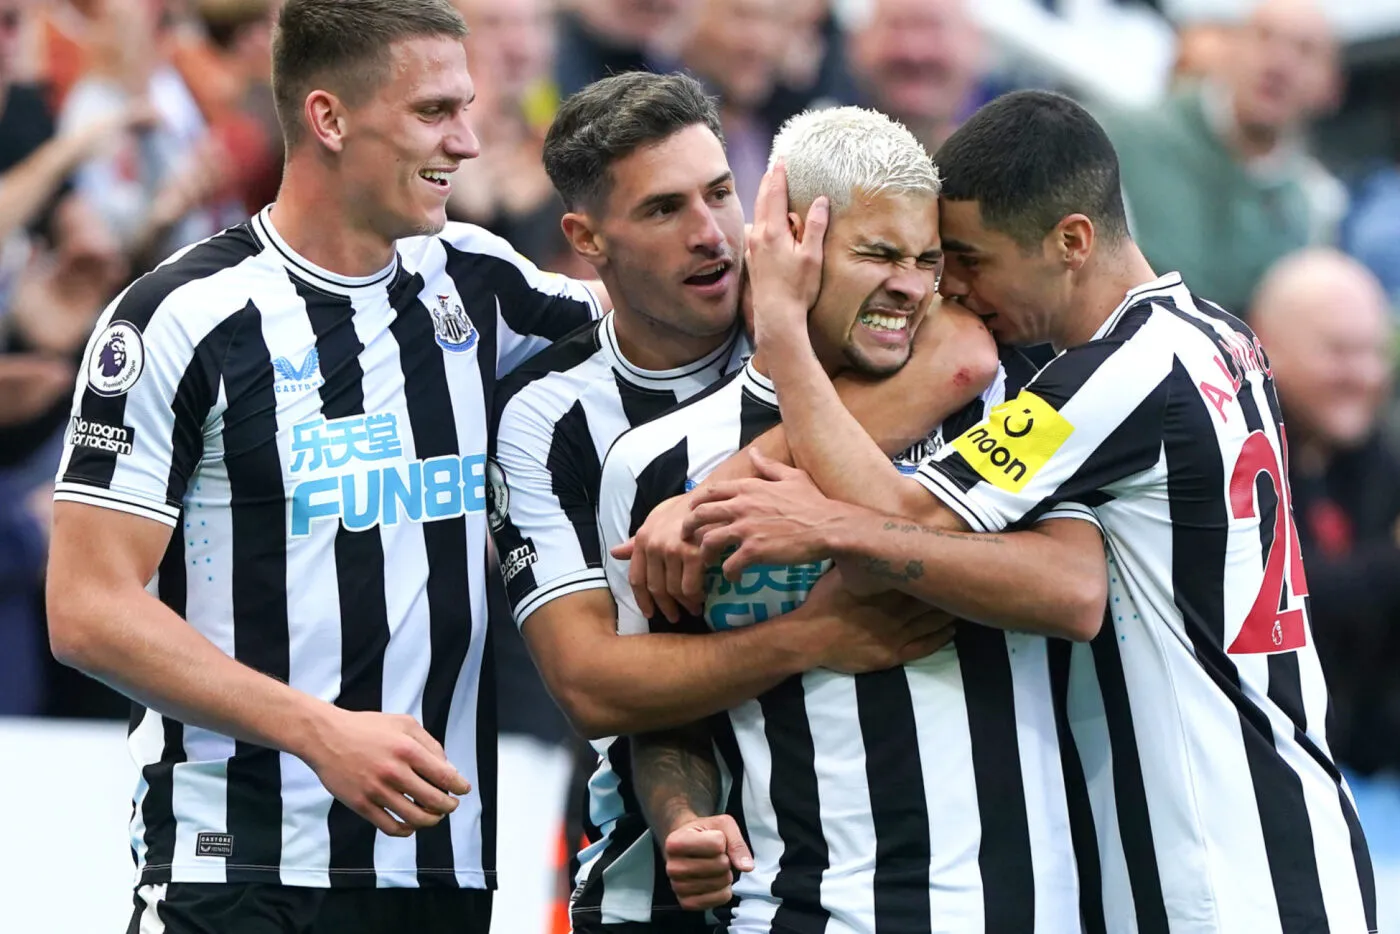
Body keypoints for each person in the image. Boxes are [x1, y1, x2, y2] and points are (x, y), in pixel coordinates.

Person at [649, 90, 1376, 932]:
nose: (953, 290)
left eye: (972, 259)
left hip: (1215, 870)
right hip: (1288, 839)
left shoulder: (1112, 377)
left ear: (1071, 241)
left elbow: (898, 512)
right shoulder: (1213, 333)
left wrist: (779, 330)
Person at [43, 0, 609, 930]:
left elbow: (676, 350)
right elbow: (88, 609)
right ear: (329, 118)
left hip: (442, 869)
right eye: (434, 112)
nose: (468, 141)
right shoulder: (181, 319)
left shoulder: (477, 282)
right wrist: (317, 731)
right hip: (237, 866)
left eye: (468, 108)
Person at [498, 75, 996, 934]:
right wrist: (806, 636)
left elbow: (960, 343)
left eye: (721, 192)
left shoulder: (821, 323)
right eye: (663, 210)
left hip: (880, 872)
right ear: (587, 239)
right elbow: (593, 682)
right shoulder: (550, 415)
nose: (711, 235)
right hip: (658, 867)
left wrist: (714, 490)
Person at [600, 105, 1088, 932]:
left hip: (1023, 908)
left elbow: (1076, 593)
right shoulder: (652, 465)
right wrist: (683, 820)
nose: (909, 283)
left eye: (928, 260)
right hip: (791, 910)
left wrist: (824, 518)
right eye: (878, 254)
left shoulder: (1029, 396)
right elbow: (666, 711)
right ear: (791, 240)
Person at [1250, 249, 1400, 780]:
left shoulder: (1372, 456)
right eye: (1338, 352)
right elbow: (1278, 602)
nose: (1362, 375)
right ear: (1264, 340)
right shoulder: (1230, 453)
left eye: (1372, 352)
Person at [1096, 0, 1342, 315]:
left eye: (1305, 51)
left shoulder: (1314, 207)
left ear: (1331, 86)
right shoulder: (1122, 139)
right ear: (1228, 49)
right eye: (1264, 37)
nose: (1280, 63)